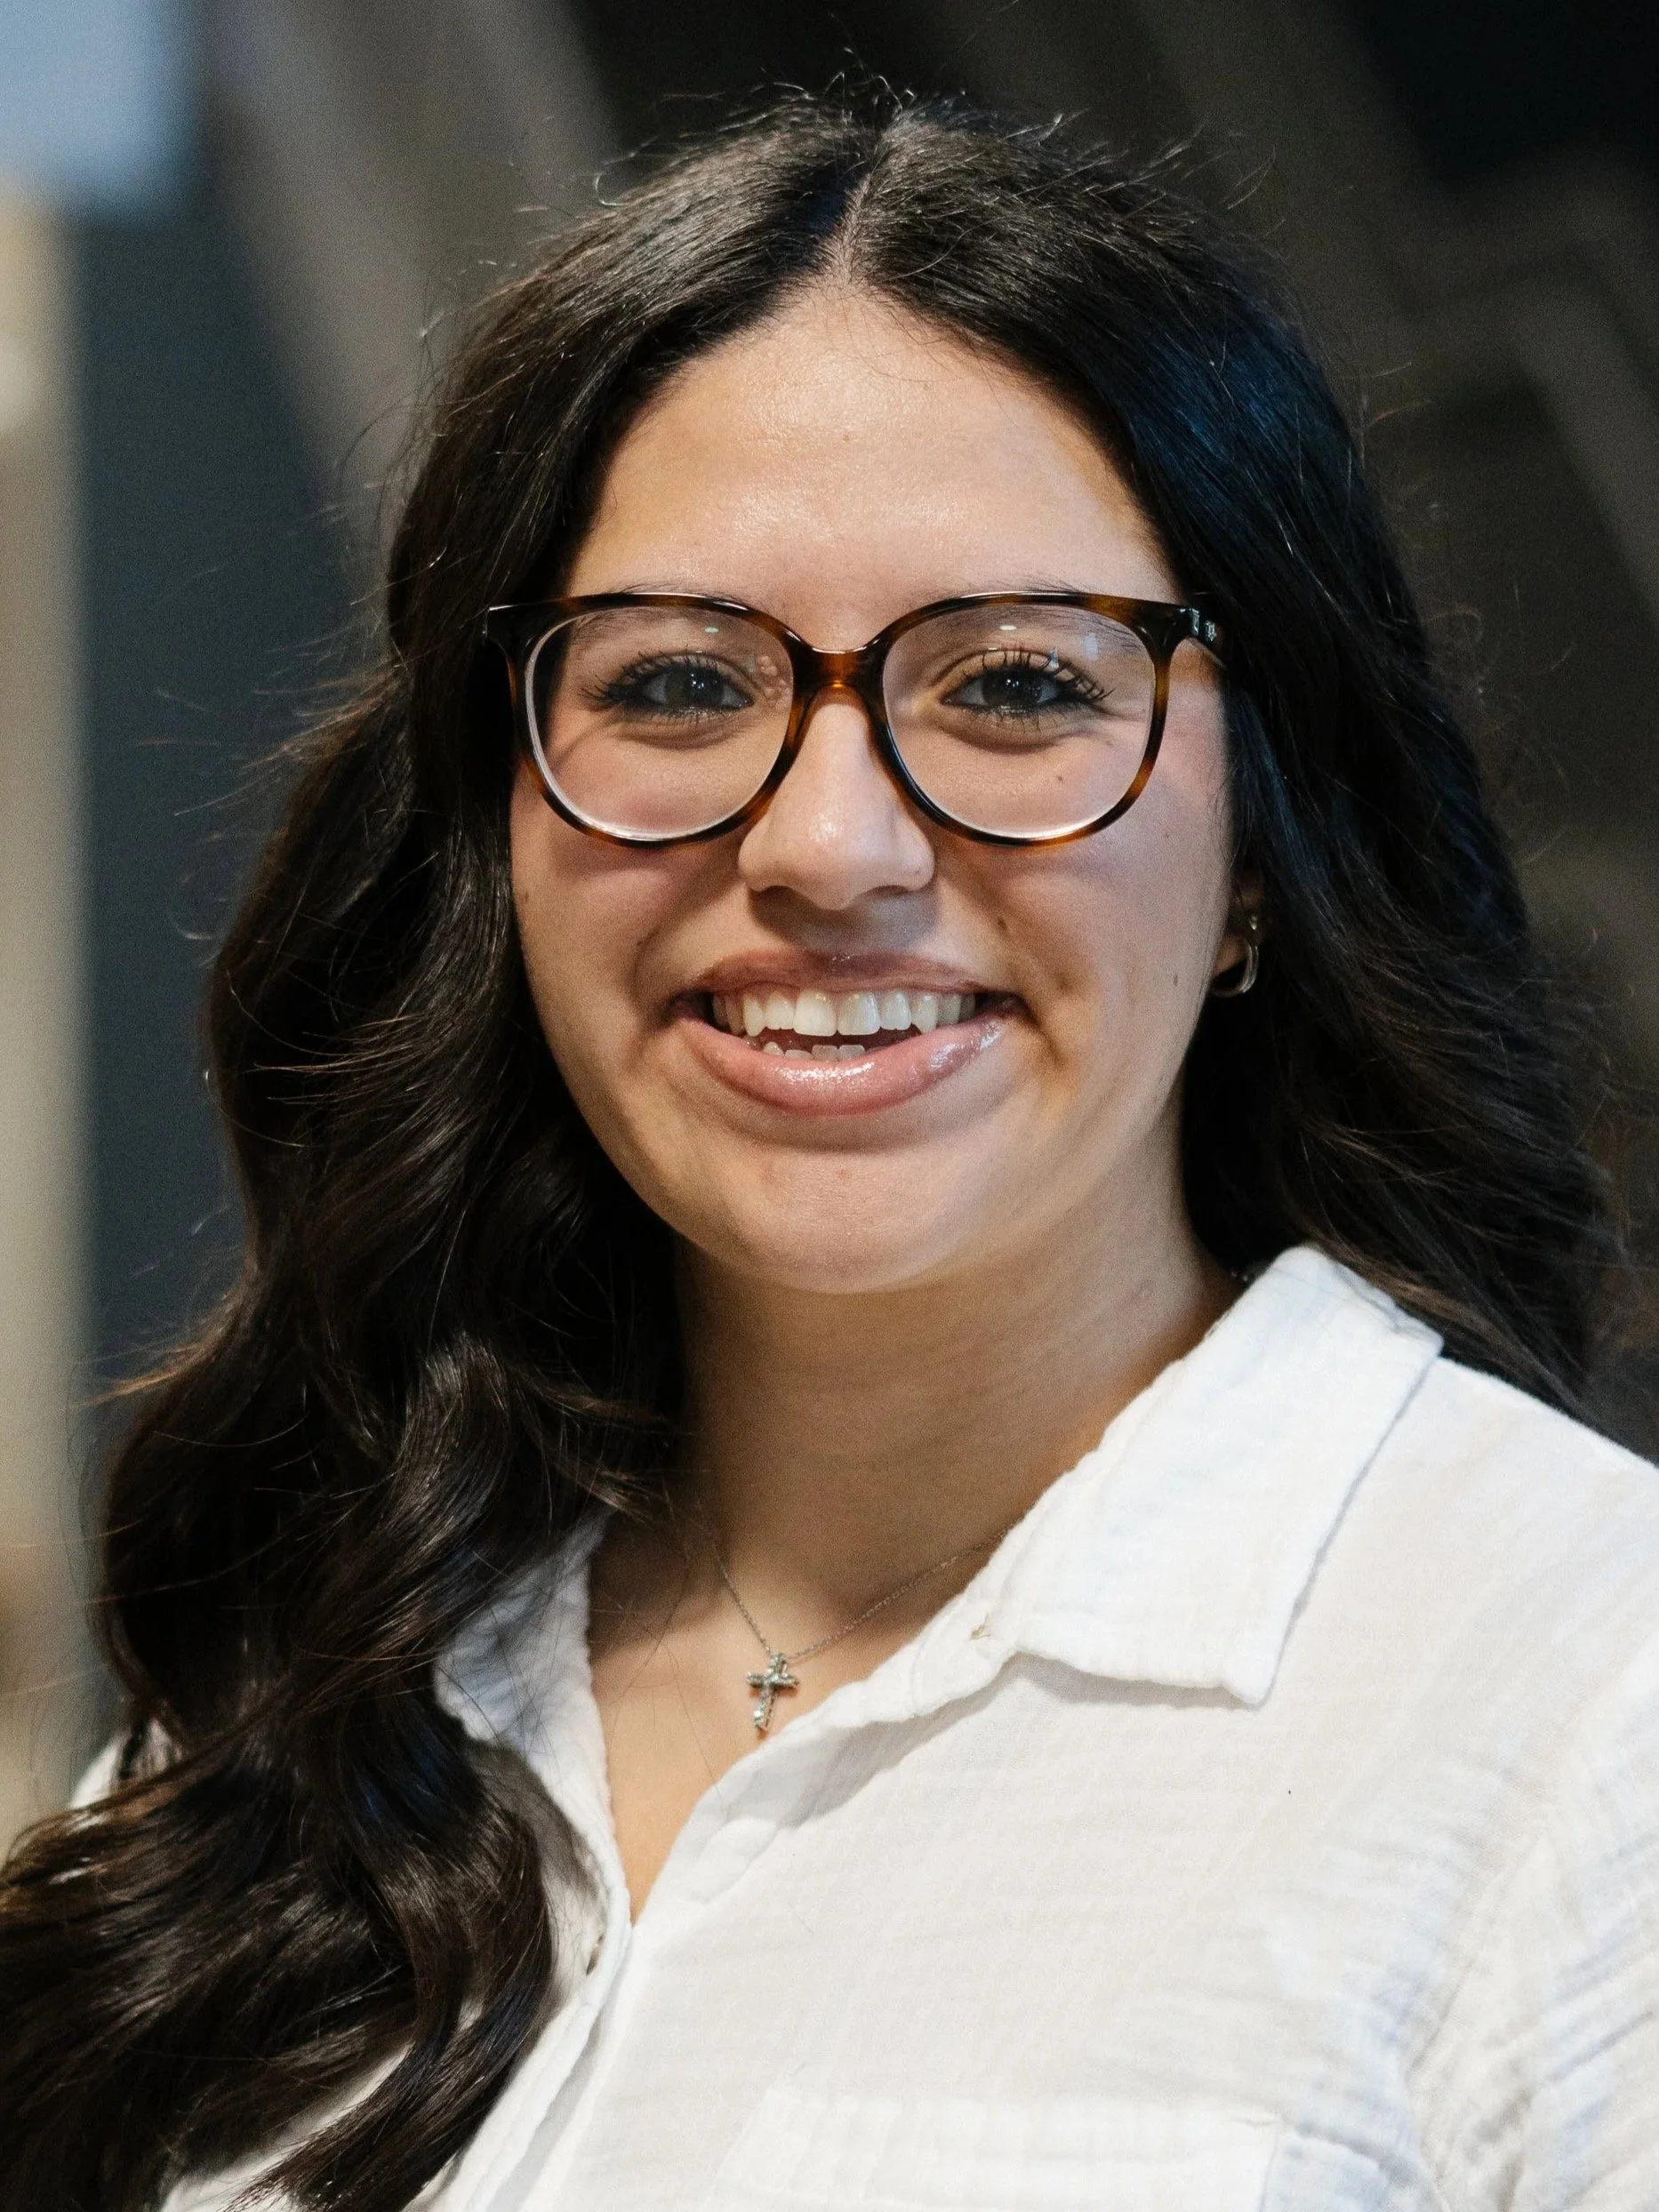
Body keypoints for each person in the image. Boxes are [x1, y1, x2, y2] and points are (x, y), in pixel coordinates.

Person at [3, 94, 1656, 2212]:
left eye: (1019, 684)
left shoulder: (1584, 1700)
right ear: (500, 832)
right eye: (681, 682)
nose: (829, 847)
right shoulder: (299, 1703)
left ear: (1263, 844)